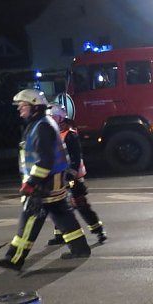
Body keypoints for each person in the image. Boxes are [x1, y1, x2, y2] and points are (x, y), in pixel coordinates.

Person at [0, 89, 91, 271]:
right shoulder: (41, 123)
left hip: (44, 182)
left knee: (31, 215)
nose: (19, 110)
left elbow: (45, 160)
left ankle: (14, 258)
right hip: (52, 179)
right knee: (61, 214)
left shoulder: (42, 126)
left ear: (34, 107)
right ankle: (80, 248)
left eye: (23, 106)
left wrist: (31, 183)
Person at [47, 104, 107, 246]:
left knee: (80, 204)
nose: (51, 119)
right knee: (59, 205)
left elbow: (75, 156)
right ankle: (60, 235)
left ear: (61, 118)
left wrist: (71, 174)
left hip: (72, 178)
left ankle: (99, 231)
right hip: (59, 177)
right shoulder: (52, 134)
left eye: (53, 117)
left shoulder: (70, 135)